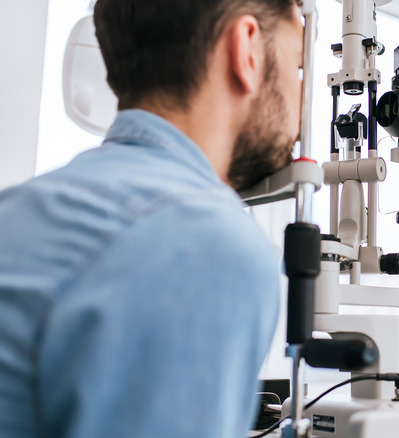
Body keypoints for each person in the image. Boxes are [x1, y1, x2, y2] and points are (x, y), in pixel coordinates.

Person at [0, 0, 303, 436]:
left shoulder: (24, 209)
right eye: (297, 64)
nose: (301, 93)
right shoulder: (206, 241)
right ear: (246, 50)